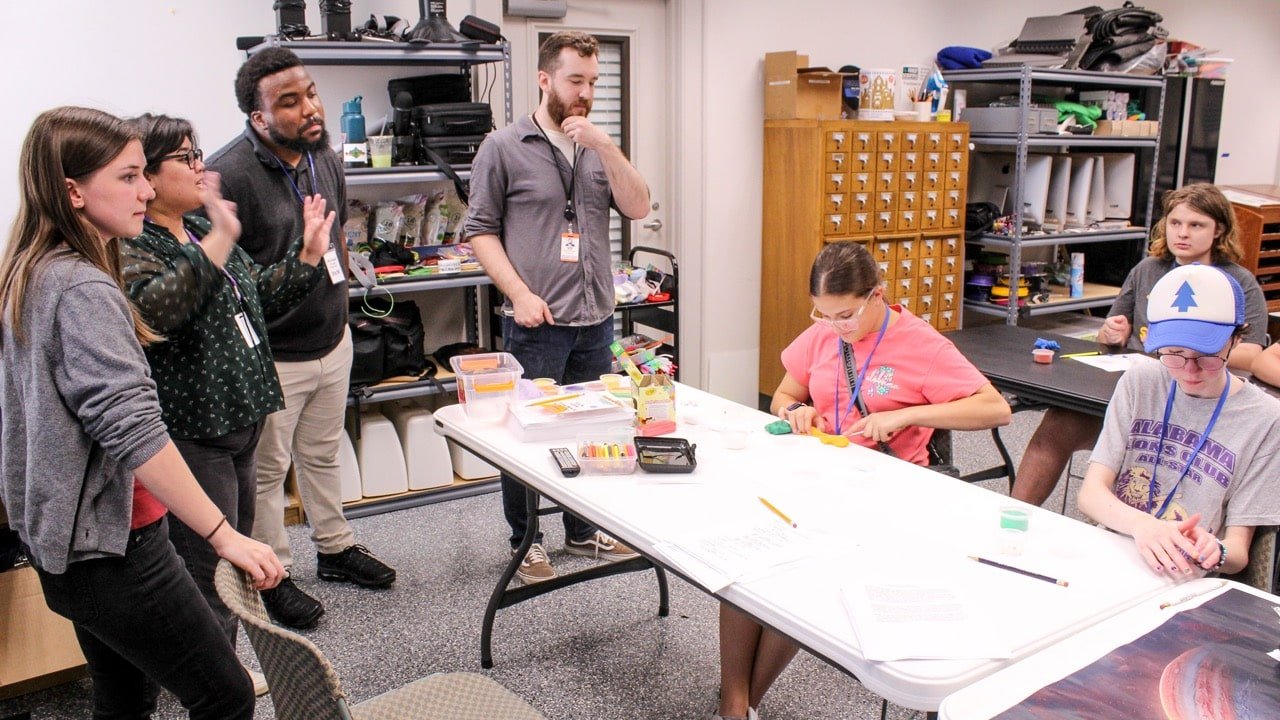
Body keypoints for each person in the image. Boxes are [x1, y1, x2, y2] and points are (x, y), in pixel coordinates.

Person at [0, 106, 285, 719]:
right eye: (128, 177)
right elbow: (132, 427)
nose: (147, 190)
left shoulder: (33, 271)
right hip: (112, 548)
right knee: (226, 694)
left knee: (125, 698)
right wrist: (223, 533)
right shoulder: (81, 288)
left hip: (70, 544)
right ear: (74, 191)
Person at [714, 241, 1011, 720]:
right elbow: (785, 393)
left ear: (878, 295)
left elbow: (994, 408)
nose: (836, 328)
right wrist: (796, 410)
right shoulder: (825, 336)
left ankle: (744, 704)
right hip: (817, 476)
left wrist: (908, 415)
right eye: (824, 315)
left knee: (797, 581)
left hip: (885, 494)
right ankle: (735, 703)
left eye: (846, 315)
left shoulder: (921, 343)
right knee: (744, 567)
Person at [121, 112, 329, 679]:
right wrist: (219, 236)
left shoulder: (194, 232)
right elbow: (160, 308)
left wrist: (309, 254)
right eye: (187, 158)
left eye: (198, 154)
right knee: (211, 563)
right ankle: (218, 679)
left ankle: (224, 665)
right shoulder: (136, 242)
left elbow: (255, 293)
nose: (201, 167)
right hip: (195, 432)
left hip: (239, 417)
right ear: (150, 176)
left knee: (230, 560)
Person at [207, 47, 395, 630]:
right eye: (289, 101)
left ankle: (335, 549)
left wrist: (343, 308)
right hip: (274, 358)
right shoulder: (228, 174)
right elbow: (228, 285)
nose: (310, 107)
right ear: (258, 118)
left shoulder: (322, 156)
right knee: (266, 476)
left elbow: (334, 239)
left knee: (322, 456)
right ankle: (273, 576)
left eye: (310, 92)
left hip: (331, 341)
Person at [463, 31, 652, 584]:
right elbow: (480, 231)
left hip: (597, 317)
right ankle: (527, 541)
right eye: (575, 80)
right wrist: (518, 293)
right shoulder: (503, 146)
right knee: (525, 435)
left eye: (593, 81)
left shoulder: (598, 146)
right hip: (536, 321)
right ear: (545, 79)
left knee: (591, 428)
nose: (585, 91)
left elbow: (637, 205)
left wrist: (608, 147)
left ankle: (582, 528)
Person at [1013, 184, 1267, 507]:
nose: (1182, 233)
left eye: (1195, 225)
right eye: (1175, 223)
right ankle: (1015, 515)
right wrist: (1110, 332)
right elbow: (1111, 332)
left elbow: (1251, 354)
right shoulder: (1147, 270)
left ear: (1218, 230)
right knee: (1058, 422)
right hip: (1131, 392)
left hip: (1197, 400)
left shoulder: (1239, 283)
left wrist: (1182, 356)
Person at [1077, 263, 1280, 577]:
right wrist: (1144, 526)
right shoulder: (1141, 381)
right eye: (1173, 353)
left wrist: (1219, 550)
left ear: (1236, 340)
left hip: (1183, 576)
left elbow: (1238, 552)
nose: (1189, 370)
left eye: (1207, 356)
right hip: (1116, 550)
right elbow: (1091, 494)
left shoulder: (1265, 419)